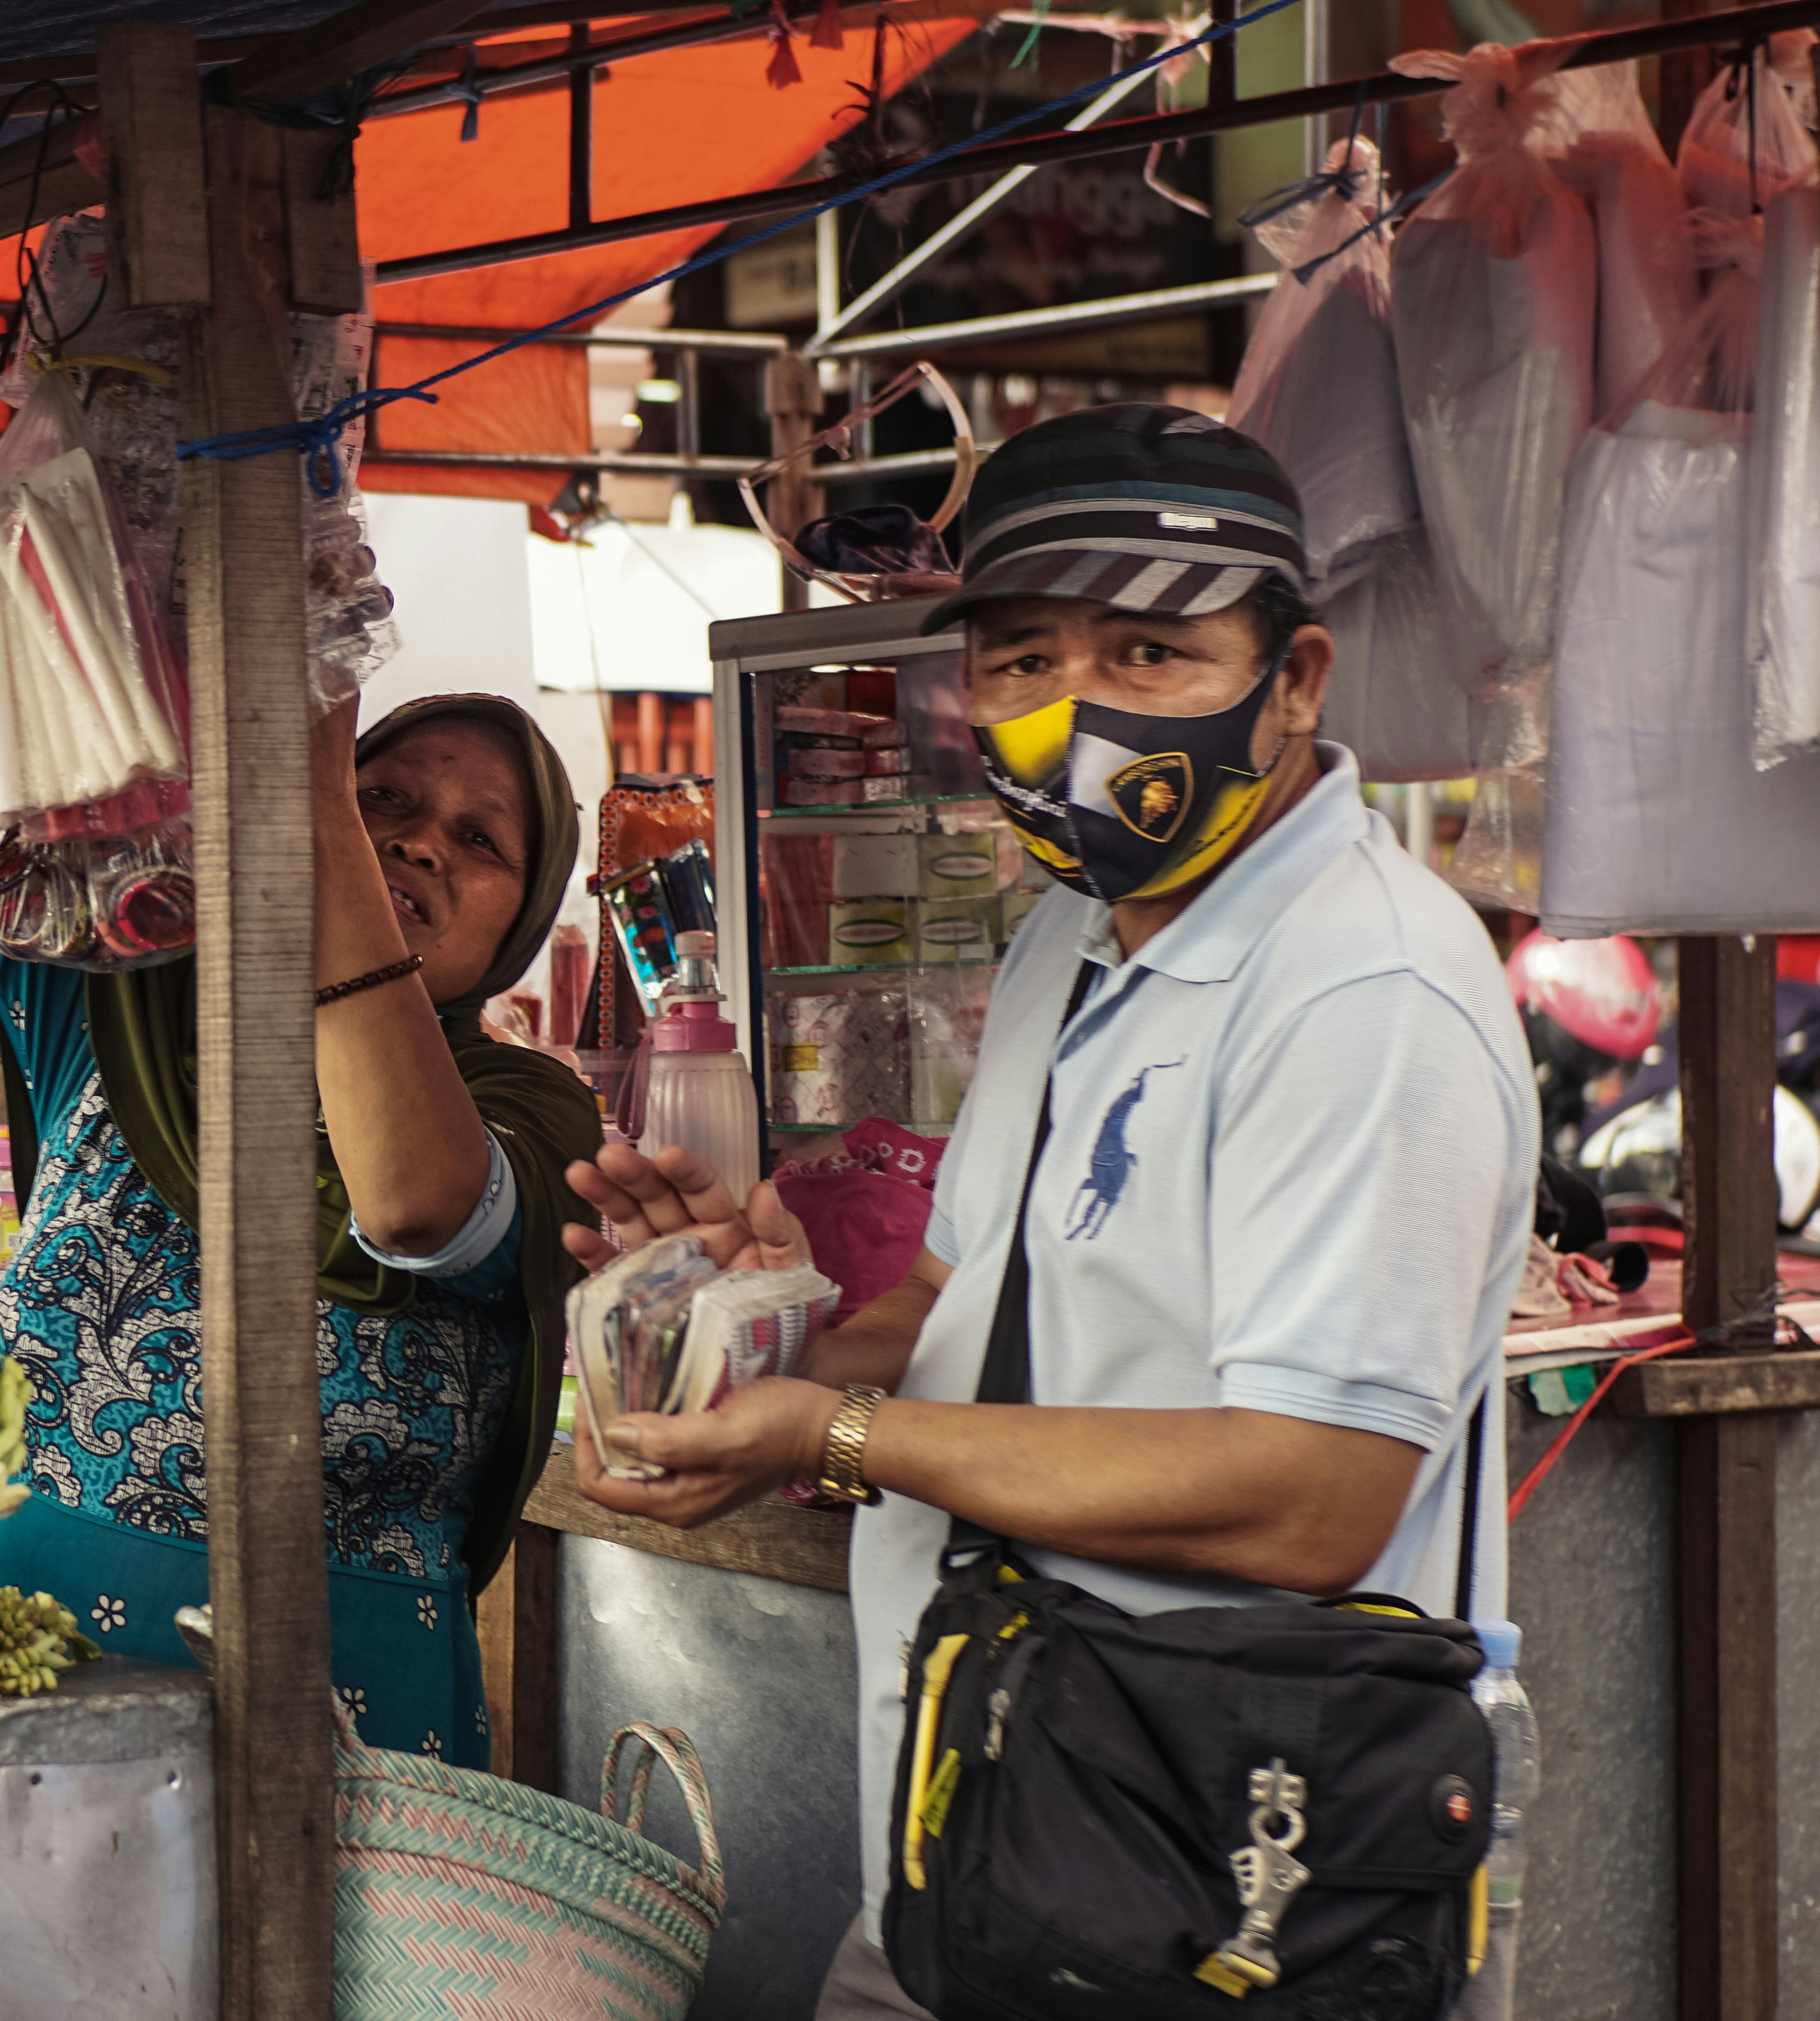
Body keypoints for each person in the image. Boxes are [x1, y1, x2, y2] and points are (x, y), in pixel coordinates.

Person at [562, 405, 1538, 2018]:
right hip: (991, 1831)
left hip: (1239, 1887)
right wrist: (751, 1329)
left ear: (1295, 682)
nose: (1074, 710)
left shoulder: (1365, 988)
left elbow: (1312, 1495)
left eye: (1150, 655)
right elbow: (954, 1307)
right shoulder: (1064, 945)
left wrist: (835, 1440)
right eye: (1023, 658)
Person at [0, 691, 603, 1762]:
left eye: (480, 838)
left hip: (348, 1733)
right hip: (34, 1668)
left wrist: (323, 811)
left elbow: (411, 1205)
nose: (417, 840)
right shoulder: (120, 1009)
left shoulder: (526, 1107)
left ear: (521, 925)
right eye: (385, 799)